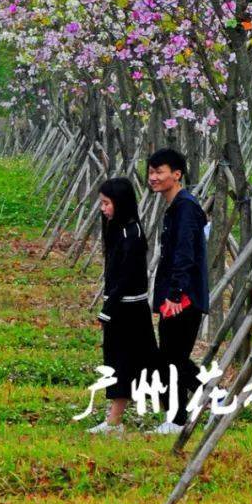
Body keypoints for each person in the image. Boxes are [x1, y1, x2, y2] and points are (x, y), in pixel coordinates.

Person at [88, 176, 158, 437]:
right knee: (124, 364)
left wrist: (108, 309)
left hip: (130, 310)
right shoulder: (118, 229)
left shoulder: (132, 233)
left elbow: (127, 277)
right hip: (121, 307)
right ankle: (114, 422)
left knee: (137, 364)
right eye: (102, 203)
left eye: (107, 203)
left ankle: (183, 410)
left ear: (121, 202)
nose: (103, 209)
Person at [148, 147, 209, 435]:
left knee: (171, 359)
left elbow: (185, 253)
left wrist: (175, 294)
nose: (153, 177)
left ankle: (178, 418)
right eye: (151, 172)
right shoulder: (177, 207)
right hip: (177, 294)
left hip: (183, 296)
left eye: (159, 172)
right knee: (172, 357)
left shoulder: (186, 208)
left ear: (177, 174)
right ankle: (208, 396)